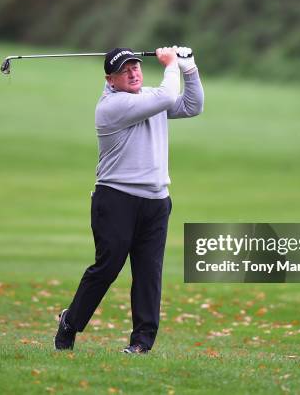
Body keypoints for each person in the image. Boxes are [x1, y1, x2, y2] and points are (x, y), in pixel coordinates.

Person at [54, 46, 205, 353]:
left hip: (156, 201)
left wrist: (189, 69)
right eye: (125, 70)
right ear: (111, 80)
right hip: (116, 198)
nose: (134, 72)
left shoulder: (148, 96)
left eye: (136, 67)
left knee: (149, 273)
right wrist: (171, 65)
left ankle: (141, 344)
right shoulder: (112, 106)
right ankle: (70, 322)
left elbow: (192, 106)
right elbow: (165, 97)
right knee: (107, 268)